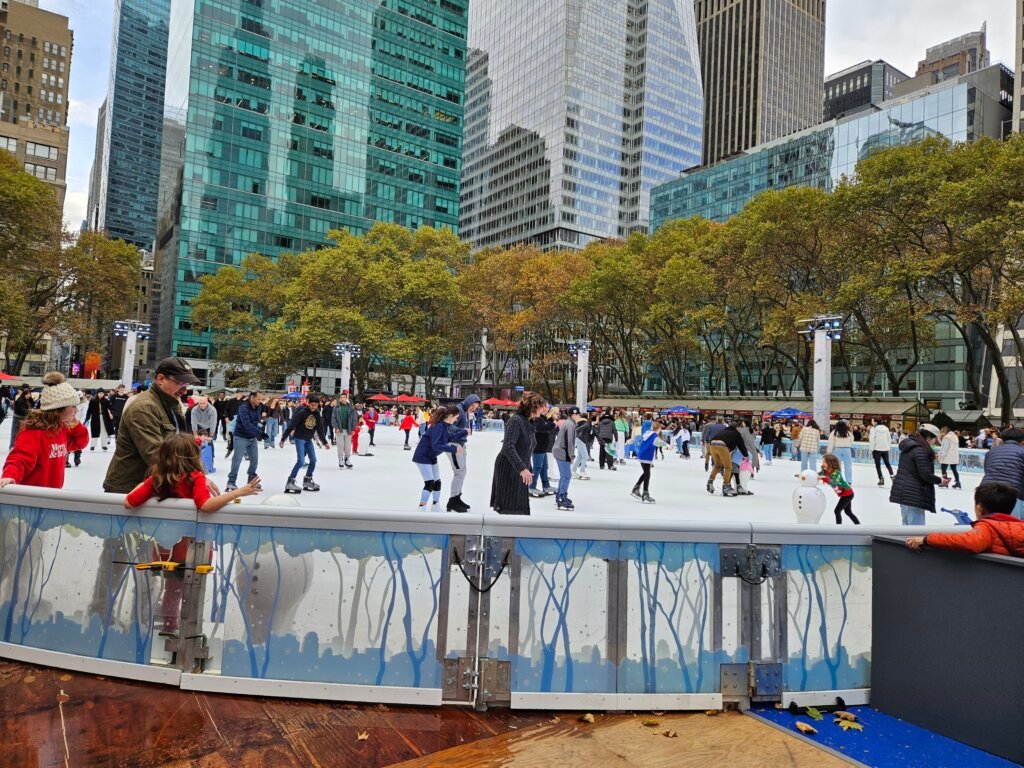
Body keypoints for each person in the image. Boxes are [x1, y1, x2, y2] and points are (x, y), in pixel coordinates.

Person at [104, 357, 219, 497]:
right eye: (180, 383)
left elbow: (183, 448)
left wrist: (199, 475)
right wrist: (193, 478)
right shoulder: (144, 408)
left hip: (158, 487)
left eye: (187, 385)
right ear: (160, 378)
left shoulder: (172, 405)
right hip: (131, 489)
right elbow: (156, 454)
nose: (184, 390)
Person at [124, 433, 260, 513]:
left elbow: (129, 502)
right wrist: (237, 493)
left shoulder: (157, 478)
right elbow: (205, 505)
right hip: (190, 536)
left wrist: (143, 484)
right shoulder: (196, 478)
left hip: (161, 536)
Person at [0, 373, 88, 489]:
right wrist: (10, 475)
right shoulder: (34, 432)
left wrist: (75, 424)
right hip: (32, 497)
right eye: (73, 406)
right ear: (60, 409)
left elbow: (80, 443)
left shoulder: (61, 428)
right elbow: (20, 457)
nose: (76, 410)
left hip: (51, 495)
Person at [906, 483, 1024, 556]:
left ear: (980, 508)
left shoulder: (988, 527)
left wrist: (927, 539)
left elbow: (971, 542)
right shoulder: (1019, 527)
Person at [490, 393, 546, 515]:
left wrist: (527, 468)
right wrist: (522, 468)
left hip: (519, 468)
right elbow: (508, 447)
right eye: (542, 406)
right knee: (510, 508)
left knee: (519, 508)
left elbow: (527, 448)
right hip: (508, 468)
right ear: (533, 406)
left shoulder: (529, 422)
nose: (544, 409)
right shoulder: (516, 420)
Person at [889, 423, 948, 525]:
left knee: (906, 529)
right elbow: (925, 474)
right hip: (914, 495)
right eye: (934, 440)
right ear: (929, 437)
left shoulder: (910, 446)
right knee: (916, 532)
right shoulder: (920, 450)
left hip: (904, 493)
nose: (934, 443)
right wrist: (940, 480)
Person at [412, 406, 465, 512]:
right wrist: (454, 449)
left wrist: (463, 432)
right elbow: (436, 445)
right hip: (423, 456)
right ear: (450, 416)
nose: (456, 420)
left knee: (437, 482)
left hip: (431, 457)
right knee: (430, 482)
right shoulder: (438, 427)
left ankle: (435, 506)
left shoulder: (444, 426)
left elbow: (449, 438)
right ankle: (421, 507)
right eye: (456, 417)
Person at [280, 395, 330, 493]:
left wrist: (325, 442)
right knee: (301, 461)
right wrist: (283, 439)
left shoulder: (317, 415)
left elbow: (320, 430)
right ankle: (290, 481)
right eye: (312, 405)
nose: (313, 407)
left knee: (313, 460)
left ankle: (307, 480)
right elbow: (291, 426)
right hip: (299, 438)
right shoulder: (302, 413)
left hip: (308, 440)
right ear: (308, 403)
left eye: (315, 405)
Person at [978, 427, 1024, 518]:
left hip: (986, 492)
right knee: (1012, 528)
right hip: (1012, 495)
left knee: (988, 527)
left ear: (1002, 439)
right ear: (1022, 441)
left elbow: (987, 470)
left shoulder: (991, 452)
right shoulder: (1022, 451)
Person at [446, 394, 480, 512]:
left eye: (475, 408)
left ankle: (457, 498)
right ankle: (452, 501)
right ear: (469, 402)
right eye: (473, 406)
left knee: (462, 471)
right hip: (454, 445)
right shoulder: (459, 410)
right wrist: (462, 430)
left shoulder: (464, 409)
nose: (473, 409)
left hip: (460, 444)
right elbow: (449, 426)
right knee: (459, 472)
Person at [226, 391, 263, 492]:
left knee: (254, 460)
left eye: (261, 399)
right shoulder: (243, 407)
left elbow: (255, 421)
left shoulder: (258, 407)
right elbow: (246, 423)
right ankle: (231, 482)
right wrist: (258, 432)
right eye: (258, 399)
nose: (260, 401)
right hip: (240, 437)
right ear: (252, 398)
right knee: (237, 460)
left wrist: (258, 432)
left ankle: (251, 480)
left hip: (252, 438)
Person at [707, 421, 748, 497]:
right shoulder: (736, 433)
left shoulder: (724, 431)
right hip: (722, 447)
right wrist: (745, 455)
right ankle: (726, 486)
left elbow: (713, 438)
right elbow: (741, 445)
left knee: (718, 465)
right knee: (728, 467)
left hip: (712, 446)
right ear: (737, 428)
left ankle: (710, 482)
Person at [552, 407, 581, 510]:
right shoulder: (570, 424)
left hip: (560, 450)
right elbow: (569, 442)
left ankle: (560, 495)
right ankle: (561, 497)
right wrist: (571, 455)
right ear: (574, 414)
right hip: (561, 451)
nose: (579, 416)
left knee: (565, 475)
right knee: (567, 476)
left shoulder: (570, 423)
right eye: (578, 414)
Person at [819, 453, 860, 525]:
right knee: (848, 512)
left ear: (831, 463)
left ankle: (838, 527)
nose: (823, 464)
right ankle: (858, 524)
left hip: (847, 494)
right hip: (845, 494)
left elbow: (834, 482)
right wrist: (805, 475)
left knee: (837, 511)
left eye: (825, 462)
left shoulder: (836, 473)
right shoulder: (826, 471)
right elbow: (816, 474)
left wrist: (824, 478)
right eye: (823, 462)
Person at [632, 420, 666, 503]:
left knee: (646, 473)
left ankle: (636, 488)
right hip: (646, 456)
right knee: (647, 474)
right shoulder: (654, 436)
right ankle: (645, 493)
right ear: (658, 428)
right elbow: (659, 442)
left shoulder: (648, 433)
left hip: (642, 455)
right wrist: (667, 445)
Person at [529, 409, 557, 497]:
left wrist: (551, 420)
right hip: (538, 447)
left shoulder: (543, 419)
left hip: (543, 447)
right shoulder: (537, 418)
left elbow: (546, 426)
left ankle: (546, 486)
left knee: (544, 467)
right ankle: (531, 487)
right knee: (537, 468)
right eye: (545, 407)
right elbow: (541, 428)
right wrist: (552, 423)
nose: (547, 409)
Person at [332, 391, 358, 468]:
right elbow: (333, 418)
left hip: (348, 429)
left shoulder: (351, 408)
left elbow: (354, 419)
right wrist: (336, 427)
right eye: (341, 397)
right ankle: (340, 459)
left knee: (347, 446)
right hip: (339, 429)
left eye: (344, 397)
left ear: (346, 398)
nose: (343, 399)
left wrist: (353, 429)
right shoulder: (336, 408)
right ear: (340, 399)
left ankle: (347, 459)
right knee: (340, 445)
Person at [826, 420, 855, 485]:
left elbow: (831, 443)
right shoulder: (848, 433)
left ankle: (837, 479)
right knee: (848, 466)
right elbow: (852, 440)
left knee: (836, 466)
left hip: (837, 449)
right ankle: (849, 481)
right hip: (847, 450)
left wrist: (829, 452)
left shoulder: (834, 433)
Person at [869, 418, 895, 486]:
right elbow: (889, 438)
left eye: (872, 421)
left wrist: (872, 449)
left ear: (875, 422)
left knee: (878, 465)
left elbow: (872, 439)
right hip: (885, 449)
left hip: (876, 449)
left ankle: (881, 478)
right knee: (887, 463)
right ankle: (892, 475)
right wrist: (888, 447)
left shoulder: (873, 429)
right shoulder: (886, 428)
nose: (871, 422)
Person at [8, 384, 34, 448]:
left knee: (25, 433)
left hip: (26, 418)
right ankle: (13, 446)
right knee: (15, 432)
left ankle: (22, 446)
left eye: (29, 391)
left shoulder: (29, 398)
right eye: (26, 390)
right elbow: (17, 408)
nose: (28, 394)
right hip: (18, 417)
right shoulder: (18, 397)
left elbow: (31, 405)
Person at [573, 413, 593, 480]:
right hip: (581, 440)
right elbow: (579, 428)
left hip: (581, 440)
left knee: (580, 457)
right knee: (585, 456)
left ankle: (573, 471)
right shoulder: (587, 423)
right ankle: (582, 471)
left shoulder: (585, 423)